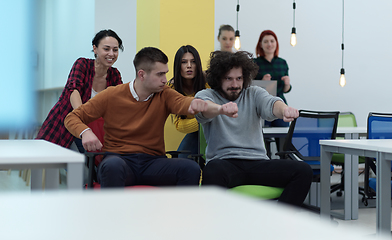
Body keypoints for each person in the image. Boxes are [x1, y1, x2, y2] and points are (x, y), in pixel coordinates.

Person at [64, 47, 209, 188]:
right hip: (119, 160)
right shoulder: (112, 95)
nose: (165, 80)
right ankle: (111, 213)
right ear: (142, 74)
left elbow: (184, 103)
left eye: (165, 74)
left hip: (153, 162)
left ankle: (181, 213)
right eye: (160, 74)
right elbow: (72, 118)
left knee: (191, 168)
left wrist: (208, 106)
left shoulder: (165, 93)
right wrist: (86, 132)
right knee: (112, 166)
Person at [195, 51, 312, 207]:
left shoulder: (254, 93)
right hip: (225, 162)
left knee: (303, 170)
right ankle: (217, 227)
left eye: (239, 79)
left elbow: (271, 103)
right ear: (218, 78)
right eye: (228, 79)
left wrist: (284, 110)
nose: (235, 85)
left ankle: (278, 222)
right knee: (212, 169)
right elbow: (204, 109)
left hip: (257, 163)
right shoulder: (206, 95)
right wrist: (221, 109)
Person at [36, 29, 124, 152]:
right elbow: (74, 90)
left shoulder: (114, 75)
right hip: (67, 124)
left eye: (115, 50)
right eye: (106, 49)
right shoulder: (82, 64)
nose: (111, 54)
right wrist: (81, 120)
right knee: (74, 165)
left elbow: (118, 102)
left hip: (95, 131)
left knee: (98, 163)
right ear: (95, 49)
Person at [167, 45, 208, 158]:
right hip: (197, 132)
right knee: (180, 161)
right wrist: (206, 118)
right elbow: (179, 125)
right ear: (178, 65)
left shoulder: (207, 83)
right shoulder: (171, 88)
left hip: (216, 130)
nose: (189, 66)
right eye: (184, 62)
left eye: (193, 62)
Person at [253, 30, 292, 127]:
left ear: (276, 43)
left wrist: (287, 84)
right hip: (262, 105)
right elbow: (249, 86)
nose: (269, 44)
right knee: (263, 136)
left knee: (284, 136)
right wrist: (262, 83)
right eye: (265, 41)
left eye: (272, 41)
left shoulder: (282, 62)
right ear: (261, 45)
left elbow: (285, 90)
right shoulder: (254, 63)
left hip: (280, 104)